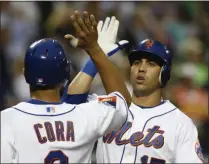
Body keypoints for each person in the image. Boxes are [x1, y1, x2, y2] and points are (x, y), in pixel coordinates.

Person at [1, 11, 131, 163]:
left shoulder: (7, 120)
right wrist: (96, 52)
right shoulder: (86, 116)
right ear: (66, 76)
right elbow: (123, 101)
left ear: (25, 74)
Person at [64, 23, 205, 162]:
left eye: (151, 64)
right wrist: (95, 57)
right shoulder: (107, 108)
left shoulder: (180, 123)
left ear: (164, 73)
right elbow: (70, 104)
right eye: (137, 62)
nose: (141, 68)